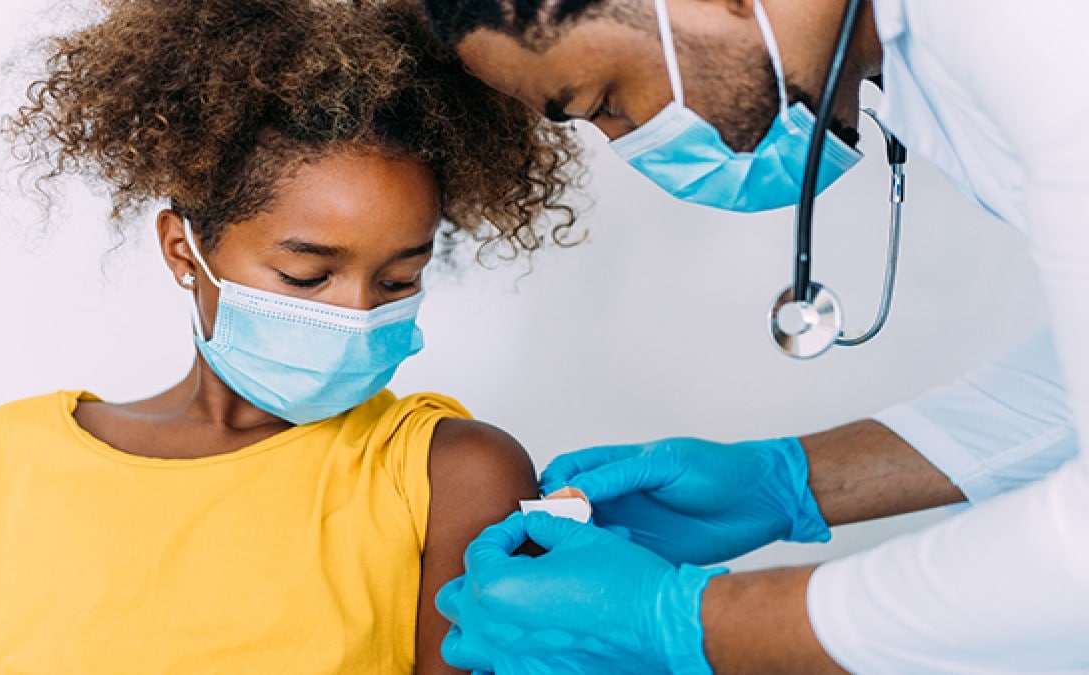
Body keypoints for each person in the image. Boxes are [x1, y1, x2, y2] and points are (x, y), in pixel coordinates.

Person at [0, 1, 584, 672]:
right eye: (308, 275)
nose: (358, 312)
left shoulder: (450, 472)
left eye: (399, 280)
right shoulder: (6, 459)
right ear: (184, 251)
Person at [421, 0, 1089, 672]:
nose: (632, 146)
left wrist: (688, 622)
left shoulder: (1030, 30)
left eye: (606, 102)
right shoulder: (915, 56)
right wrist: (793, 481)